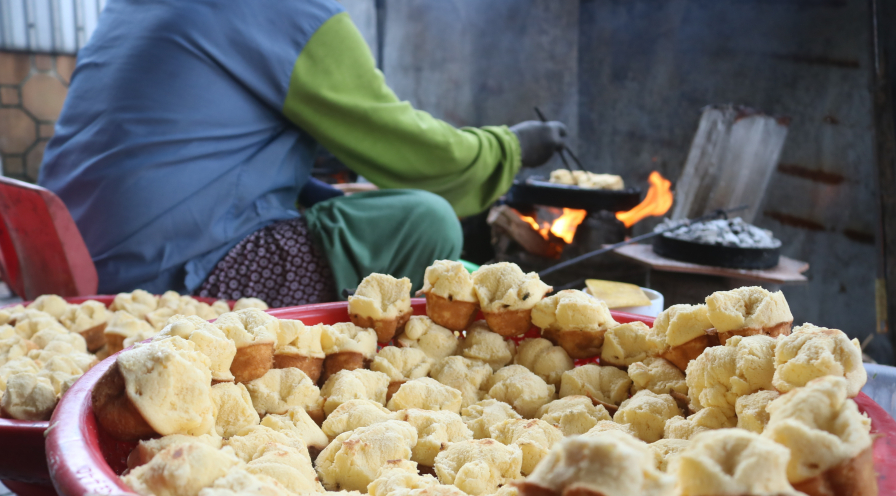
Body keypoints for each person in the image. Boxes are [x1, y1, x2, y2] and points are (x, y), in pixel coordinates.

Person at [38, 0, 566, 306]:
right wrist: (512, 146)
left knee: (354, 207)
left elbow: (195, 154)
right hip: (173, 283)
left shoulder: (129, 7)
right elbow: (418, 153)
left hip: (76, 262)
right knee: (422, 220)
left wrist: (318, 192)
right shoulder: (286, 10)